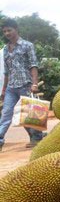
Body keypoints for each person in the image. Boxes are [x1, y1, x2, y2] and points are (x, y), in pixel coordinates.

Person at [0, 19, 45, 151]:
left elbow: (33, 65)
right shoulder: (5, 50)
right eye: (5, 31)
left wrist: (35, 83)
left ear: (16, 29)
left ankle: (37, 137)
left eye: (9, 30)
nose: (7, 33)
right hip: (11, 87)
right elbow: (6, 71)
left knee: (31, 114)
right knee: (6, 114)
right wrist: (3, 89)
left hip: (26, 84)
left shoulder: (27, 45)